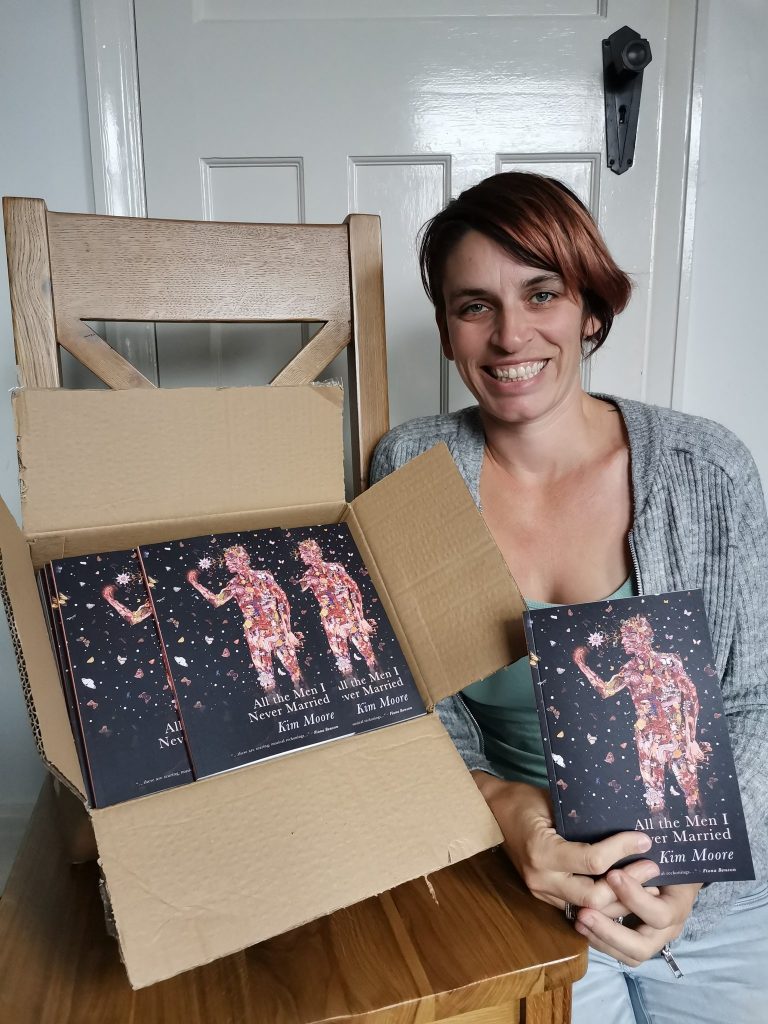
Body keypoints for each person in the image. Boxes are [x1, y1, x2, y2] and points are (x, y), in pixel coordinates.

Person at [369, 172, 768, 1023]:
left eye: (541, 292)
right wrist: (506, 809)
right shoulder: (411, 469)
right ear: (445, 331)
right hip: (516, 888)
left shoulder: (705, 469)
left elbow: (754, 699)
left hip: (715, 894)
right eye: (474, 305)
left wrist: (691, 868)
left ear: (591, 308)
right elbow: (415, 706)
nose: (511, 333)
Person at [573, 614, 708, 814]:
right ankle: (660, 840)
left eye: (628, 636)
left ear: (642, 636)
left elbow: (691, 698)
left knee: (691, 792)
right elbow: (605, 690)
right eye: (623, 636)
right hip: (647, 740)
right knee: (654, 799)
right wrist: (582, 665)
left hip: (677, 735)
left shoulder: (670, 662)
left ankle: (703, 833)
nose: (623, 641)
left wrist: (691, 740)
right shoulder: (628, 670)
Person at [187, 545, 303, 692]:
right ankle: (274, 704)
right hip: (255, 634)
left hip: (277, 629)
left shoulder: (265, 577)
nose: (227, 564)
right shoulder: (234, 584)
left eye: (229, 560)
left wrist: (288, 631)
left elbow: (283, 601)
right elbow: (217, 601)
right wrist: (196, 585)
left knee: (294, 669)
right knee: (266, 677)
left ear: (240, 560)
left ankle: (304, 696)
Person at [296, 538, 378, 676]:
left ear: (311, 553)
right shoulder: (307, 576)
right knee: (342, 661)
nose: (301, 557)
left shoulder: (336, 568)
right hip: (331, 622)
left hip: (350, 616)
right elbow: (298, 590)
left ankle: (378, 677)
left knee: (367, 653)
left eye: (303, 553)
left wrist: (361, 617)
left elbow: (355, 590)